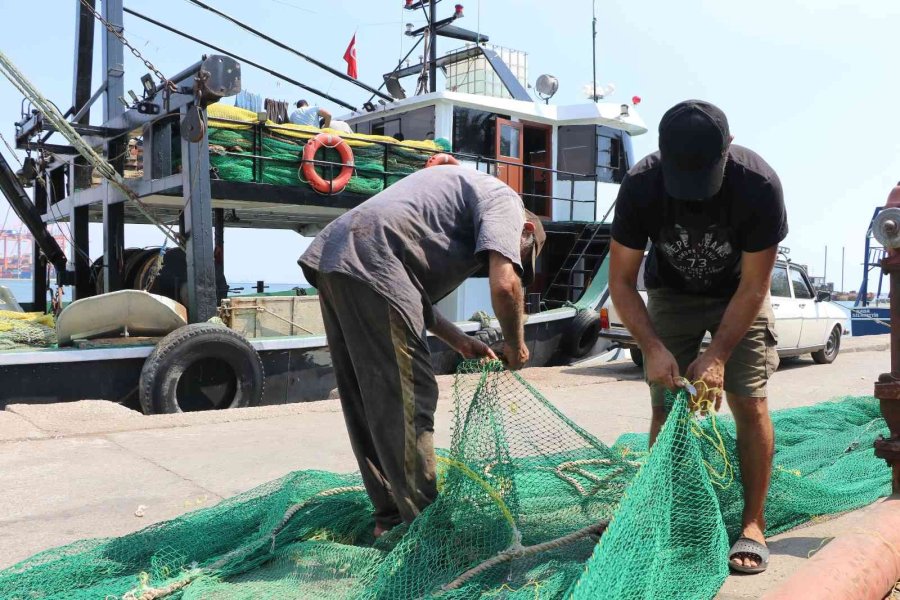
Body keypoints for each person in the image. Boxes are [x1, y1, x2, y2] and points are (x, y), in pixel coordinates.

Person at [299, 166, 545, 538]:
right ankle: (428, 533)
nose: (515, 260)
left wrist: (458, 340)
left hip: (336, 253)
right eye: (522, 256)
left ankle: (390, 518)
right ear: (526, 232)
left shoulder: (460, 195)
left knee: (367, 399)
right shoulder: (506, 202)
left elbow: (408, 293)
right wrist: (516, 345)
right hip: (372, 257)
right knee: (410, 398)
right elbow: (505, 285)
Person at [608, 100, 787, 575]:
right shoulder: (641, 185)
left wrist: (718, 354)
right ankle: (663, 515)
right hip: (671, 293)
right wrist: (652, 346)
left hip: (738, 296)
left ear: (727, 150)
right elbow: (621, 283)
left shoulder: (760, 186)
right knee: (666, 408)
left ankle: (752, 523)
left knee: (749, 402)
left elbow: (755, 286)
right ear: (661, 154)